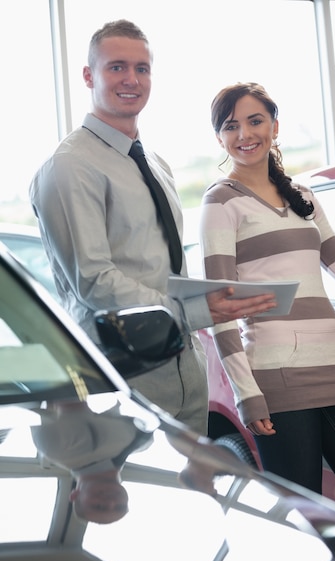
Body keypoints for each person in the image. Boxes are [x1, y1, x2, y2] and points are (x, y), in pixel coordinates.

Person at [29, 21, 276, 437]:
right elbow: (94, 282)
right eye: (117, 67)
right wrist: (197, 311)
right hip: (122, 379)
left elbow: (164, 267)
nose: (132, 79)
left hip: (184, 367)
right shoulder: (70, 166)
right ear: (89, 76)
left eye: (142, 69)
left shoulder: (155, 163)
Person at [200, 82, 335, 527]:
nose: (245, 133)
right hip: (277, 379)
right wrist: (247, 395)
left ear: (274, 127)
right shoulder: (220, 202)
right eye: (231, 125)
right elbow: (220, 307)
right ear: (220, 138)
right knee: (298, 518)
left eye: (255, 121)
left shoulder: (302, 196)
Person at [31, 402, 154, 524]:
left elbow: (67, 391)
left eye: (98, 506)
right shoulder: (141, 447)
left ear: (74, 495)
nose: (111, 502)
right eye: (120, 507)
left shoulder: (60, 448)